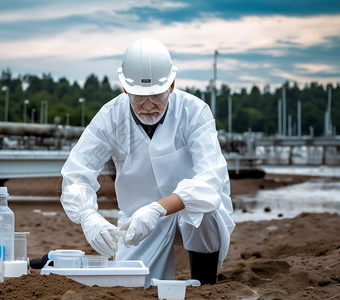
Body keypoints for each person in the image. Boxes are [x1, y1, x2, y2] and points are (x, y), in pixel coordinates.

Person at [60, 37, 235, 286]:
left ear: (172, 85)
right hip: (138, 220)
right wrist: (88, 216)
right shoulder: (110, 117)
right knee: (131, 284)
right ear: (125, 89)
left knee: (204, 210)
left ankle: (205, 285)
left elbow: (210, 181)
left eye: (156, 95)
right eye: (139, 97)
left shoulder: (194, 112)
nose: (148, 105)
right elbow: (77, 172)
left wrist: (159, 208)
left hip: (187, 210)